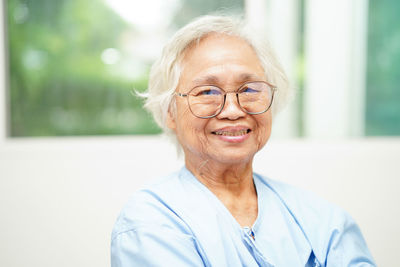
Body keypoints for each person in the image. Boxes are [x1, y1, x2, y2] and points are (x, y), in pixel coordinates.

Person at [111, 15, 375, 266]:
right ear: (170, 112)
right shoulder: (150, 222)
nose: (233, 110)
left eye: (249, 89)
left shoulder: (325, 222)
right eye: (207, 91)